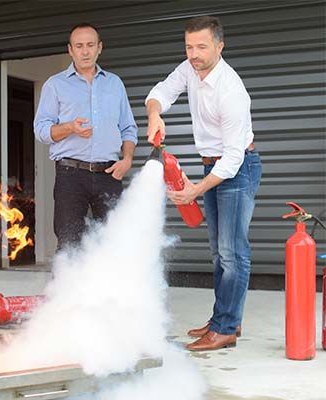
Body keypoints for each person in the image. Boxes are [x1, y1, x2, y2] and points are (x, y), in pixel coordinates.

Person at [145, 16, 262, 351]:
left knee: (232, 252)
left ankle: (225, 328)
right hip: (214, 165)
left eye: (201, 47)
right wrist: (155, 114)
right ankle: (224, 319)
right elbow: (160, 93)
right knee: (218, 252)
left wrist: (195, 190)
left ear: (219, 46)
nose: (193, 54)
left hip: (238, 169)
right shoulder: (189, 69)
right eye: (188, 46)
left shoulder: (231, 91)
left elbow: (233, 159)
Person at [34, 22, 137, 250]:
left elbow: (129, 128)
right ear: (70, 50)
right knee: (69, 242)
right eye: (79, 46)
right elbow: (41, 130)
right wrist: (70, 127)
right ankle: (66, 287)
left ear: (100, 47)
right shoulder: (55, 85)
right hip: (71, 175)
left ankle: (110, 287)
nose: (85, 51)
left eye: (90, 45)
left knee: (115, 241)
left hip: (110, 173)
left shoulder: (114, 83)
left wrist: (127, 160)